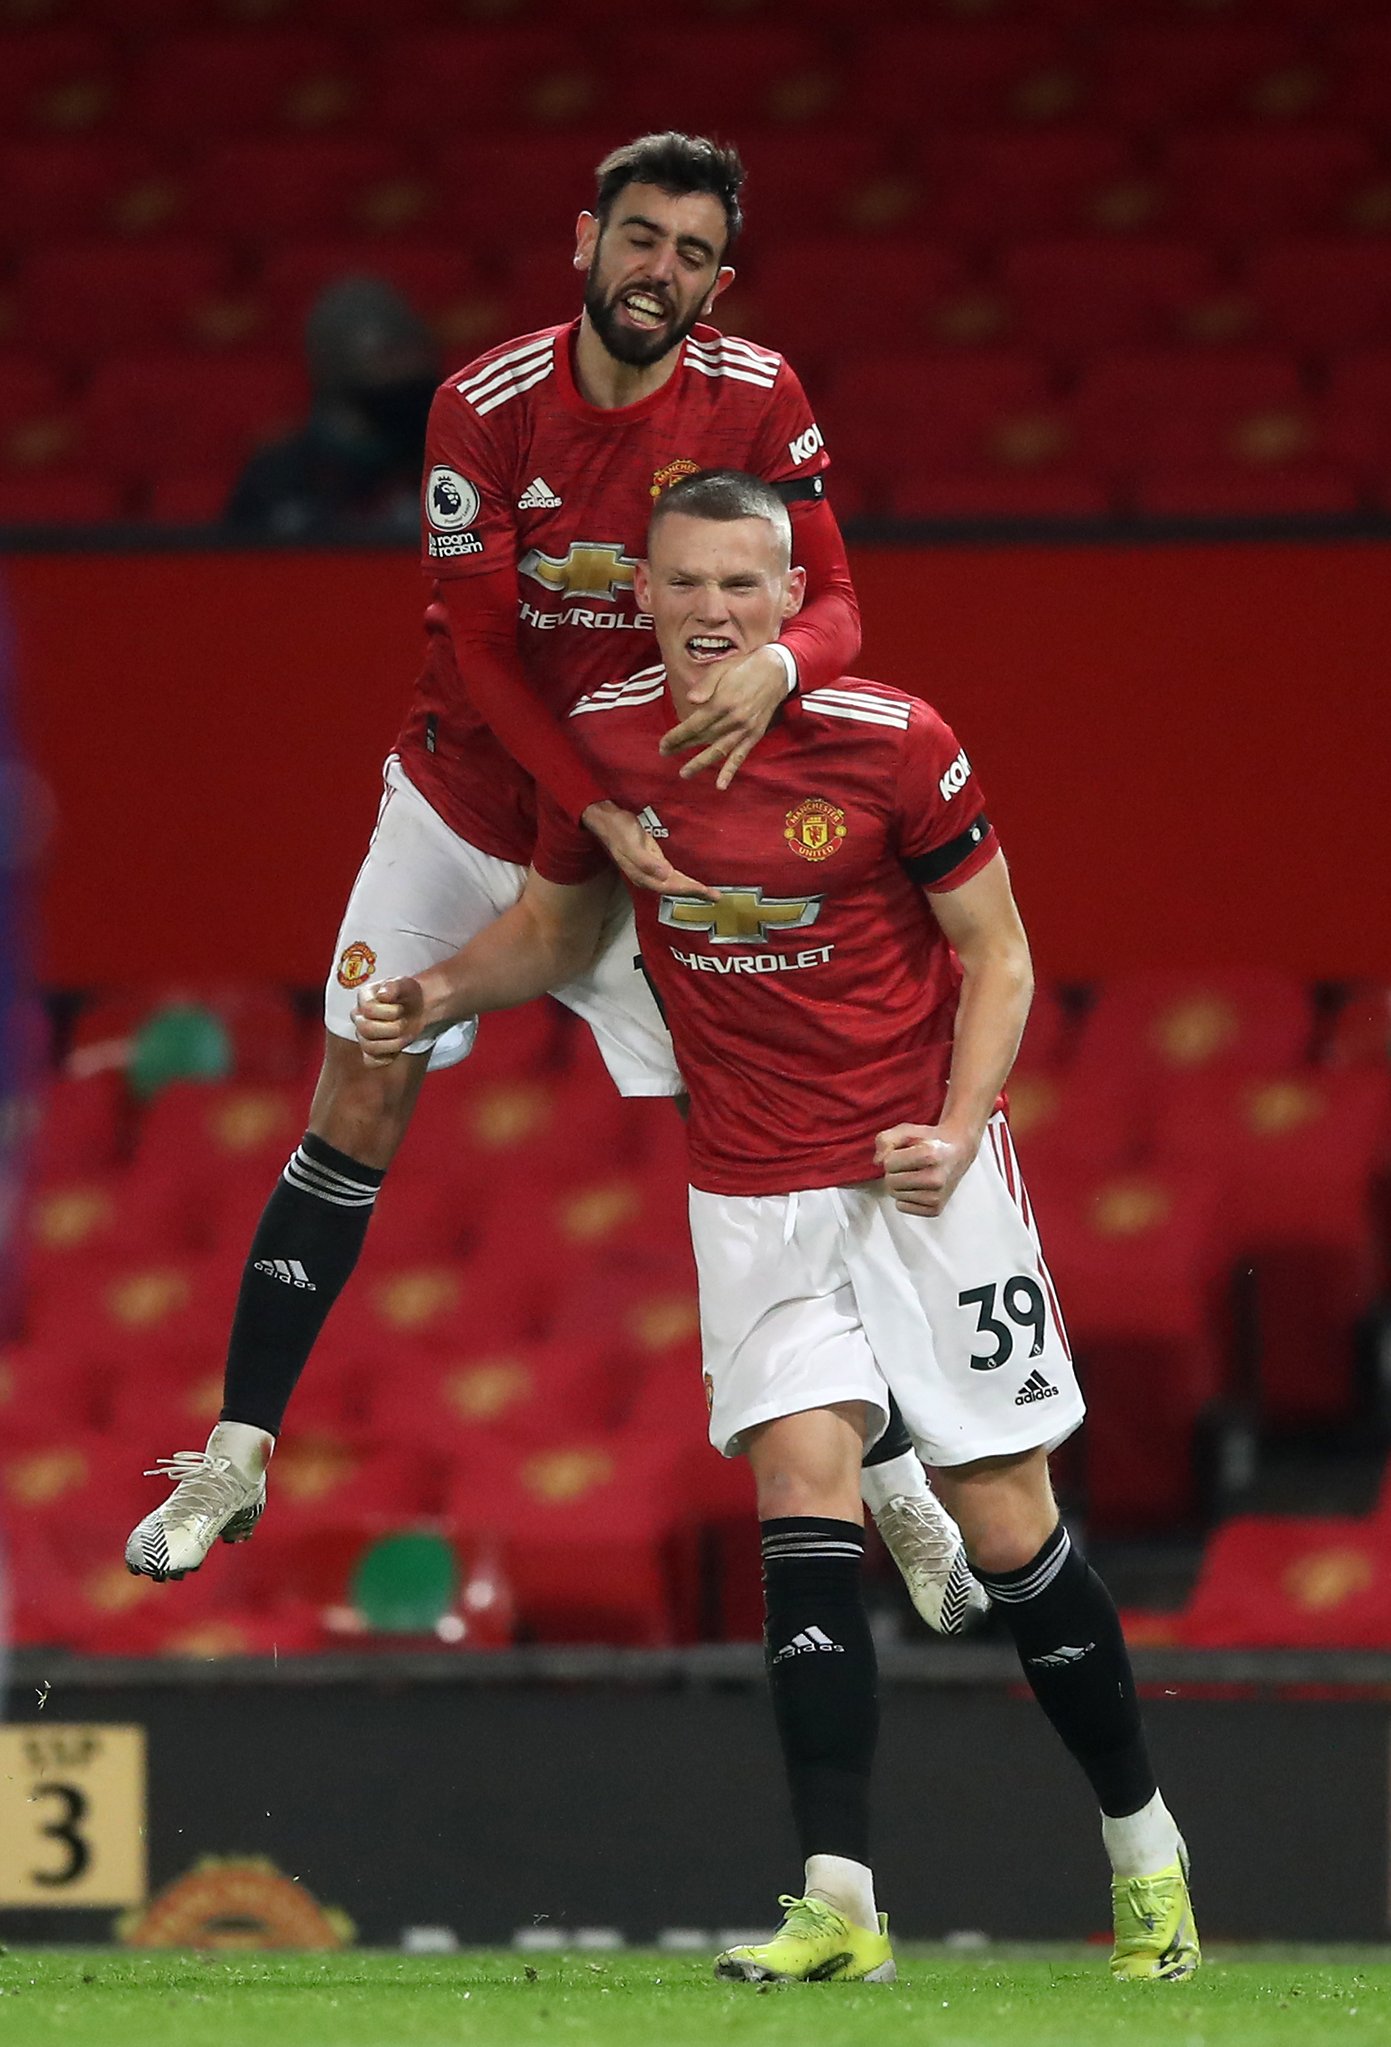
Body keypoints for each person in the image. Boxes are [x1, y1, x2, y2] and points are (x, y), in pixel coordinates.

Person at [126, 132, 985, 1636]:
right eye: (639, 238)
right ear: (585, 240)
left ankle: (897, 1475)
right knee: (359, 1082)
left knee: (774, 1125)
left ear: (719, 279)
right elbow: (479, 648)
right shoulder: (485, 402)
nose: (661, 272)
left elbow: (835, 598)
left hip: (656, 822)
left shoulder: (756, 392)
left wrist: (779, 665)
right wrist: (587, 803)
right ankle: (235, 1455)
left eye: (693, 254)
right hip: (475, 803)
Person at [352, 471, 1201, 1987]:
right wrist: (433, 992)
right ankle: (839, 1903)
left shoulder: (893, 739)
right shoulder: (604, 742)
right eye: (681, 582)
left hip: (919, 1187)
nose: (708, 611)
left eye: (740, 583)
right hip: (749, 1193)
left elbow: (999, 952)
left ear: (789, 595)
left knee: (1007, 1527)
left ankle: (1145, 1852)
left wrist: (958, 1127)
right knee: (800, 1502)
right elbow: (556, 930)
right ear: (643, 592)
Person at [224, 276, 440, 541]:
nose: (409, 372)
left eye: (417, 354)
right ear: (338, 367)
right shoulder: (277, 475)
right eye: (389, 357)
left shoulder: (447, 465)